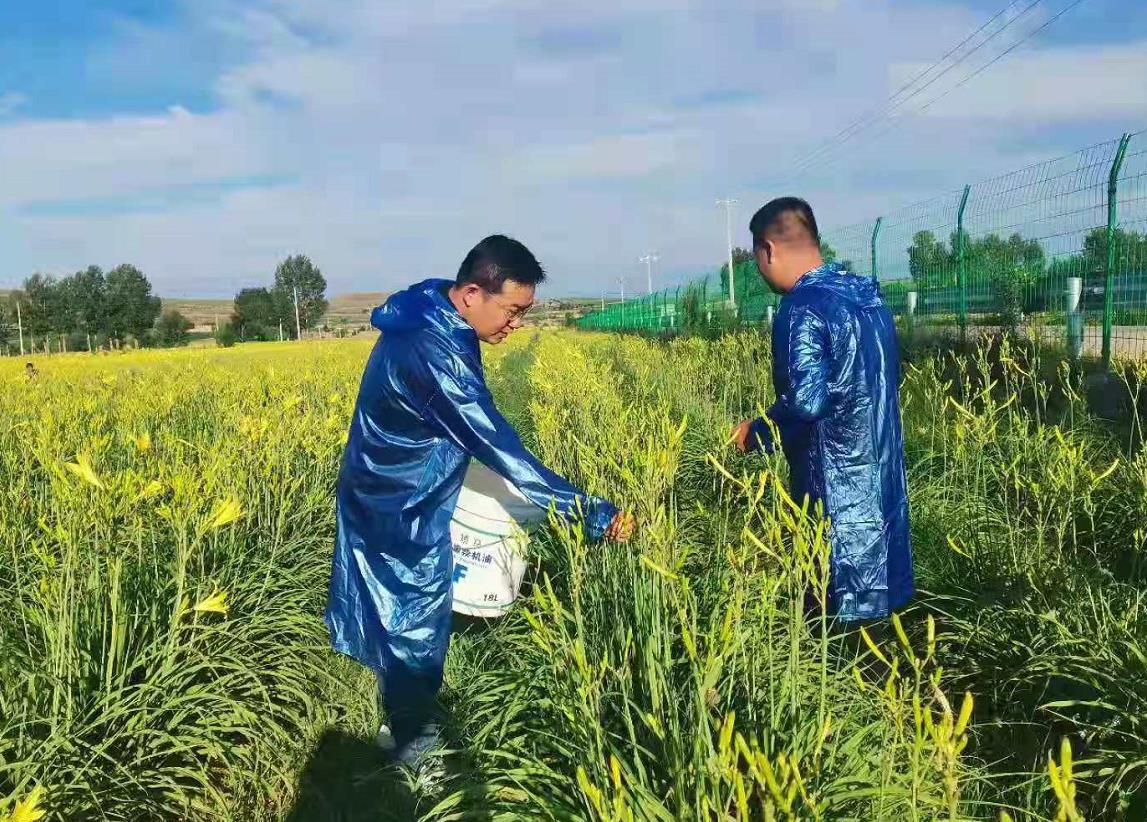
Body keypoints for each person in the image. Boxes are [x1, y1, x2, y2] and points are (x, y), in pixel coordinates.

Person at [326, 235, 635, 770]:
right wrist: (589, 510)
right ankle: (413, 755)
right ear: (472, 293)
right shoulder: (436, 349)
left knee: (407, 614)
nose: (516, 324)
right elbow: (497, 446)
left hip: (390, 485)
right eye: (512, 310)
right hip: (400, 501)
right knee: (412, 619)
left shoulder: (430, 312)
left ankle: (405, 721)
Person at [733, 197, 913, 622]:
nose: (760, 270)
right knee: (880, 602)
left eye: (758, 259)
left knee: (831, 613)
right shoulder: (868, 298)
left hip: (832, 483)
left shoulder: (801, 307)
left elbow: (807, 404)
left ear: (768, 249)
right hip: (882, 473)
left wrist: (754, 433)